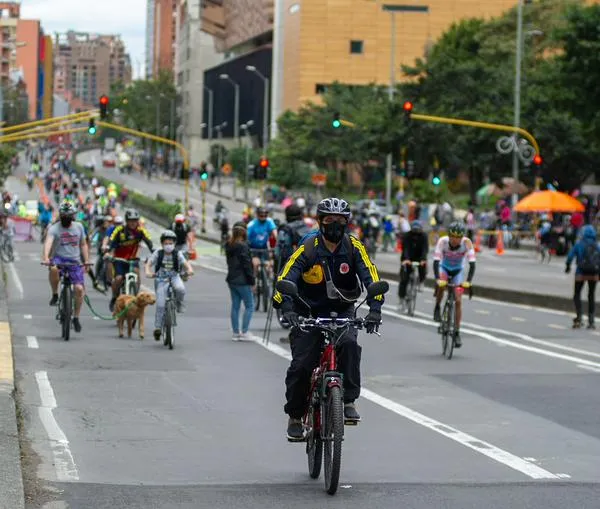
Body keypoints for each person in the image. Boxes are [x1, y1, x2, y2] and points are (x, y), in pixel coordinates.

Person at [273, 197, 384, 440]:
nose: (335, 225)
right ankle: (294, 415)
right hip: (308, 312)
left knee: (350, 346)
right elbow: (287, 275)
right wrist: (286, 306)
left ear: (347, 223)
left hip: (343, 311)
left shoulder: (354, 246)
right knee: (302, 364)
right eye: (329, 220)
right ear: (320, 222)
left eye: (340, 221)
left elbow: (371, 277)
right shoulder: (308, 245)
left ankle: (348, 401)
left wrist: (375, 307)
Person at [41, 200, 90, 333]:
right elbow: (48, 243)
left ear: (73, 216)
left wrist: (86, 260)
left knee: (79, 289)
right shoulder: (54, 228)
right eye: (64, 216)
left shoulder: (79, 227)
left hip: (75, 262)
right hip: (59, 259)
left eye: (69, 217)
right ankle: (55, 294)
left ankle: (76, 317)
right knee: (53, 268)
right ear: (60, 216)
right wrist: (46, 258)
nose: (66, 219)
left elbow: (83, 244)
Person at [432, 221, 476, 347]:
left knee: (458, 300)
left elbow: (472, 264)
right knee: (441, 284)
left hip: (458, 271)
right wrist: (437, 279)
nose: (455, 239)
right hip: (444, 268)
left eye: (458, 237)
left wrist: (468, 281)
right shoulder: (442, 241)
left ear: (462, 237)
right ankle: (437, 307)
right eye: (453, 236)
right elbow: (436, 261)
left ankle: (456, 332)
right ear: (449, 235)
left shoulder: (467, 243)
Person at [145, 230, 194, 341]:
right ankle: (158, 328)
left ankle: (179, 304)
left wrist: (189, 270)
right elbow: (149, 263)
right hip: (160, 279)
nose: (168, 245)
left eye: (170, 243)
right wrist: (148, 272)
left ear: (174, 243)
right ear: (162, 244)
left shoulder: (178, 253)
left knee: (180, 289)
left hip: (174, 277)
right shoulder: (158, 253)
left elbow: (186, 264)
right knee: (161, 304)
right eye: (166, 243)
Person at [107, 208, 153, 311]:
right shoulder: (119, 230)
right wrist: (107, 251)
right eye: (131, 221)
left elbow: (149, 242)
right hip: (120, 260)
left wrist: (154, 253)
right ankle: (114, 298)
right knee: (118, 278)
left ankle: (135, 295)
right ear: (126, 221)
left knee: (136, 273)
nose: (133, 223)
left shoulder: (141, 231)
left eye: (135, 220)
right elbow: (111, 242)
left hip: (133, 260)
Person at [566, 224, 600, 329]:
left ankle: (579, 317)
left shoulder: (579, 244)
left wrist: (568, 267)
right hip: (594, 274)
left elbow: (570, 256)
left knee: (577, 294)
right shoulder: (596, 245)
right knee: (591, 295)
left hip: (580, 273)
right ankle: (591, 320)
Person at [225, 222, 255, 340]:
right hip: (243, 280)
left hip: (231, 278)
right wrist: (252, 281)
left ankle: (236, 332)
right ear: (244, 232)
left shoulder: (229, 244)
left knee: (235, 306)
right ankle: (245, 331)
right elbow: (247, 265)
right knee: (249, 305)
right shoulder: (243, 246)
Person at [274, 204, 311, 273]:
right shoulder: (308, 228)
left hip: (290, 268)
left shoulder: (284, 230)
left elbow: (278, 252)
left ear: (287, 215)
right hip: (308, 267)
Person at [398, 220, 428, 302]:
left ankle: (421, 281)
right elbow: (405, 249)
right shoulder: (407, 235)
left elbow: (425, 249)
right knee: (404, 278)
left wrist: (423, 259)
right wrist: (406, 259)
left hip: (419, 257)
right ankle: (401, 297)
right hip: (407, 257)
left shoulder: (424, 236)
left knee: (423, 265)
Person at [247, 206, 277, 276]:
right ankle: (254, 283)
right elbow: (246, 237)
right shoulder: (252, 224)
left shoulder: (269, 221)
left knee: (268, 267)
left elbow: (275, 234)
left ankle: (268, 281)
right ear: (257, 215)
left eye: (265, 215)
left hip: (264, 248)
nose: (263, 217)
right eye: (261, 215)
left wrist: (278, 244)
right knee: (255, 265)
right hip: (253, 248)